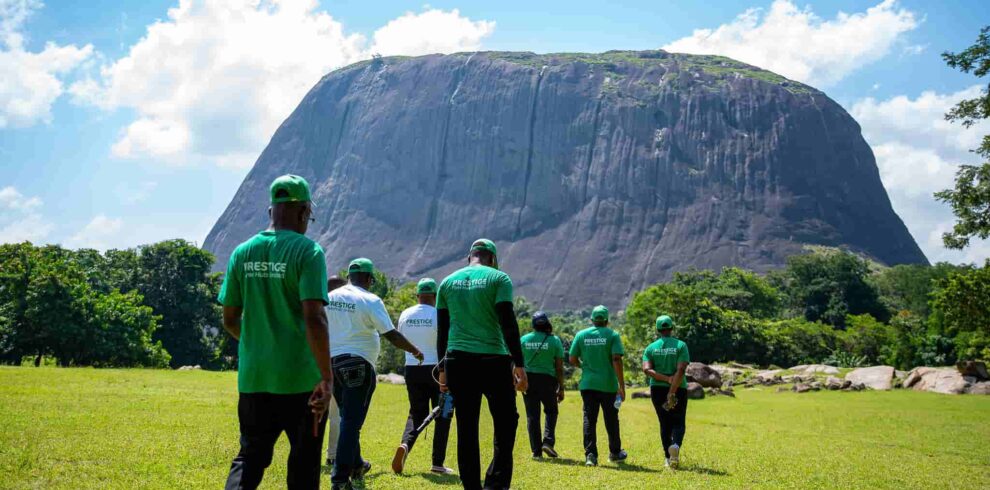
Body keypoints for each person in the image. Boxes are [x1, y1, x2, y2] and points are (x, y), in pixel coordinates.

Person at [218, 174, 333, 489]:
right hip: (302, 383)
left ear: (271, 211)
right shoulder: (308, 252)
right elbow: (314, 317)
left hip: (255, 379)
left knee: (250, 458)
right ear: (303, 211)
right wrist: (327, 377)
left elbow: (229, 318)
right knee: (304, 464)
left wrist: (259, 344)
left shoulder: (242, 252)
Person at [326, 258, 425, 490]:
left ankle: (357, 464)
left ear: (349, 275)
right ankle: (340, 479)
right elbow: (391, 334)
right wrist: (415, 350)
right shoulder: (370, 299)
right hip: (358, 365)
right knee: (351, 422)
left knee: (346, 418)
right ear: (370, 279)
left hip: (332, 364)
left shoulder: (329, 297)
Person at [436, 238, 527, 490]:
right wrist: (519, 364)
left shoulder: (447, 282)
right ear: (493, 259)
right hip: (494, 361)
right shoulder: (499, 279)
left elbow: (442, 332)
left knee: (466, 426)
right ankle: (496, 483)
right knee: (507, 422)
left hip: (457, 361)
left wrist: (442, 370)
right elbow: (508, 322)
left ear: (470, 257)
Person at [391, 278, 454, 475]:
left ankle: (405, 445)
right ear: (435, 297)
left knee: (416, 412)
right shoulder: (440, 315)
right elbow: (448, 343)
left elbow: (400, 338)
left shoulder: (405, 314)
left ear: (417, 296)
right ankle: (437, 463)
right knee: (443, 414)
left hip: (412, 368)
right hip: (438, 370)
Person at [568, 305, 627, 467]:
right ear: (607, 320)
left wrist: (584, 367)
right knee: (611, 419)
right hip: (608, 385)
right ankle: (615, 452)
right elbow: (616, 359)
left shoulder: (581, 335)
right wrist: (621, 385)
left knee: (589, 419)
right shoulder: (613, 335)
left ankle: (591, 456)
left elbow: (572, 359)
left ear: (592, 320)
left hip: (588, 384)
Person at [642, 315, 689, 469]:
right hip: (678, 389)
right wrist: (672, 389)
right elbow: (681, 369)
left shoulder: (650, 348)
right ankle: (675, 445)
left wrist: (665, 379)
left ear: (658, 329)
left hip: (657, 390)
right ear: (671, 327)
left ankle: (668, 458)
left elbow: (647, 369)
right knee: (678, 420)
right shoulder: (681, 345)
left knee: (664, 422)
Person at [520, 311, 565, 459]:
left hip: (528, 380)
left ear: (533, 324)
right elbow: (559, 367)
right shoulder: (555, 341)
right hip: (548, 381)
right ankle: (548, 441)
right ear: (547, 323)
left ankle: (536, 452)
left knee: (532, 416)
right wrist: (561, 387)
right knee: (551, 411)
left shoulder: (524, 340)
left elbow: (514, 362)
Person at [324, 275, 347, 468]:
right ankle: (332, 455)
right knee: (335, 415)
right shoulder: (346, 309)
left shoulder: (317, 305)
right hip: (336, 364)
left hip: (314, 364)